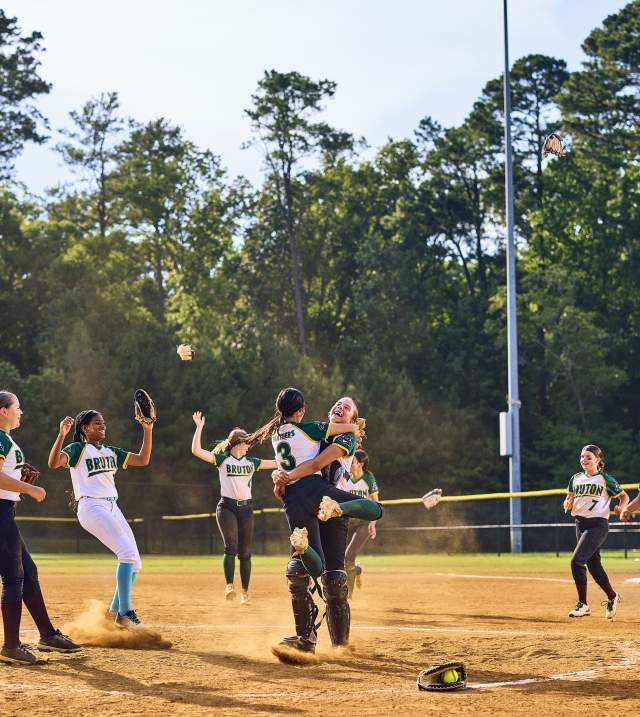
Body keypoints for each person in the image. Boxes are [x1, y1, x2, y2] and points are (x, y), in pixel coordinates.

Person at [251, 388, 382, 662]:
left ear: (353, 418)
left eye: (347, 407)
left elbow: (316, 464)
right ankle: (305, 640)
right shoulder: (311, 433)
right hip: (308, 500)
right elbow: (290, 459)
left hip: (333, 510)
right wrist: (279, 478)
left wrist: (286, 477)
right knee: (297, 570)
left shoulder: (345, 436)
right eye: (337, 403)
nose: (340, 406)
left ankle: (341, 647)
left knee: (334, 579)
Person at [48, 408, 153, 629]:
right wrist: (61, 435)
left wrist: (148, 430)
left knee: (135, 562)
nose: (102, 426)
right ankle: (124, 613)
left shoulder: (110, 452)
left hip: (112, 506)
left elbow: (143, 460)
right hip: (91, 506)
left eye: (103, 423)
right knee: (127, 554)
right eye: (97, 423)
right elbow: (53, 463)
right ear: (85, 428)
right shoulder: (78, 449)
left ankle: (114, 611)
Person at [0, 390, 81, 664]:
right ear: (3, 411)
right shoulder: (0, 437)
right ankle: (11, 647)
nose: (20, 412)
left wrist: (18, 475)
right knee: (13, 578)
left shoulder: (6, 439)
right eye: (17, 407)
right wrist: (30, 488)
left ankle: (47, 635)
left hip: (5, 513)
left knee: (28, 573)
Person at [191, 412, 277, 604]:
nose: (249, 445)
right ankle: (230, 587)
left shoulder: (251, 462)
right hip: (227, 507)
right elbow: (197, 451)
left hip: (246, 509)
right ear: (238, 443)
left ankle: (245, 593)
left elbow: (278, 463)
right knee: (231, 547)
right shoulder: (223, 460)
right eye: (246, 442)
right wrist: (199, 428)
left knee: (245, 552)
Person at [563, 444, 628, 619]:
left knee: (576, 562)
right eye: (582, 457)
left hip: (597, 525)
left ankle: (583, 605)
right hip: (580, 524)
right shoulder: (575, 478)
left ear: (598, 460)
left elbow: (624, 496)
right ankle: (613, 597)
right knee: (593, 566)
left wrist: (622, 508)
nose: (584, 460)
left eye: (589, 457)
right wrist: (567, 501)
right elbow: (570, 495)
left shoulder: (604, 478)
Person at [337, 449, 379, 598]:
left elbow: (376, 502)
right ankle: (357, 571)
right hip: (347, 521)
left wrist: (373, 523)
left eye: (353, 461)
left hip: (364, 523)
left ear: (361, 464)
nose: (350, 463)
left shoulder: (368, 478)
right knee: (339, 557)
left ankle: (347, 597)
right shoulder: (345, 476)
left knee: (349, 557)